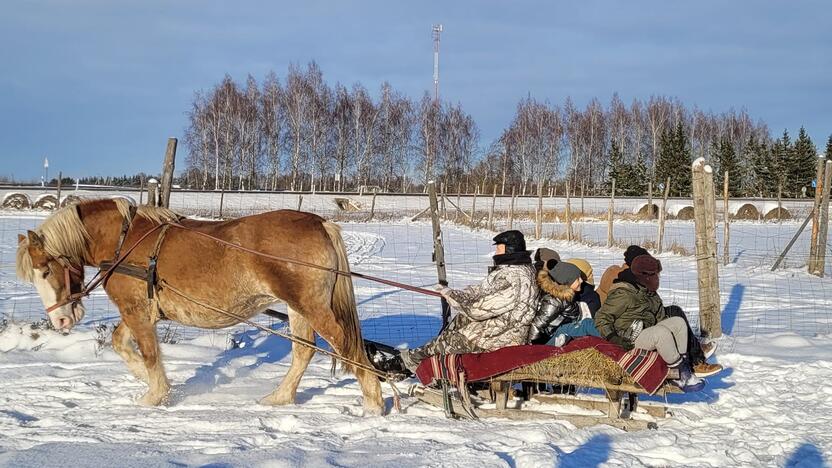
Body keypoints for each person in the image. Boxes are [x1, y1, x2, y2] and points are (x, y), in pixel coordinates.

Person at [399, 230, 539, 372]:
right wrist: (458, 293)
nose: (495, 253)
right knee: (459, 321)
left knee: (448, 341)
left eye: (498, 248)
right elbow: (483, 291)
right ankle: (433, 361)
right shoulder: (513, 270)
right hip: (499, 329)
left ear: (509, 249)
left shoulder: (515, 278)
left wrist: (452, 296)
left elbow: (477, 310)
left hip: (502, 337)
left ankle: (408, 362)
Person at [594, 254, 721, 392]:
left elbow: (661, 318)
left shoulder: (649, 292)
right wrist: (614, 338)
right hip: (627, 339)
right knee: (660, 333)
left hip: (646, 333)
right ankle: (681, 375)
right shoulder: (624, 294)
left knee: (677, 323)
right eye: (655, 275)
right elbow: (601, 317)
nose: (658, 278)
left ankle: (684, 367)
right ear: (646, 276)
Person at [528, 261, 584, 345]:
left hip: (564, 333)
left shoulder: (567, 295)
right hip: (551, 338)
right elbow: (537, 324)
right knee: (588, 325)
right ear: (566, 281)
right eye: (577, 279)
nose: (582, 280)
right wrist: (531, 347)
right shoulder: (554, 301)